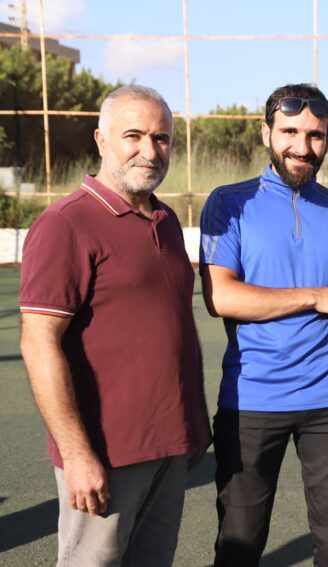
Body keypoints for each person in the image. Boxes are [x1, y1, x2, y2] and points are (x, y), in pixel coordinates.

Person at [199, 83, 328, 567]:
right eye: (290, 132)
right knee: (238, 545)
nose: (302, 146)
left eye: (315, 135)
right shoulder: (229, 202)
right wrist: (317, 295)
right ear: (266, 134)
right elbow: (222, 297)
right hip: (251, 400)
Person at [19, 85, 212, 567]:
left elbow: (176, 328)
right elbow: (39, 343)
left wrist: (194, 417)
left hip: (169, 448)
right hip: (105, 456)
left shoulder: (166, 221)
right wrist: (77, 454)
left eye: (161, 138)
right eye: (134, 135)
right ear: (101, 140)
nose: (150, 150)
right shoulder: (66, 223)